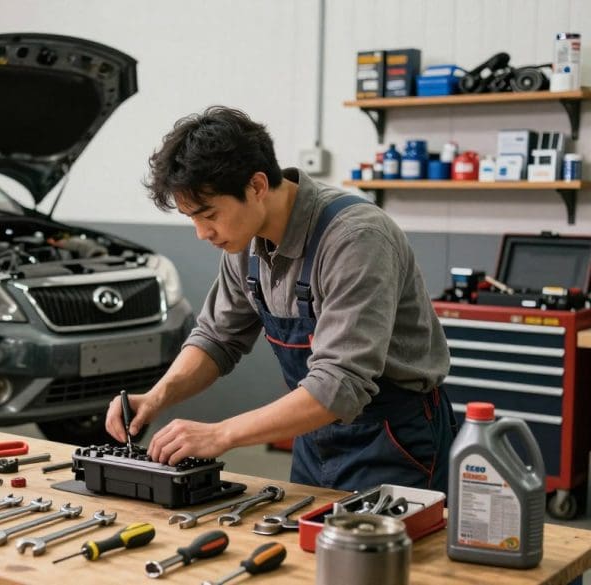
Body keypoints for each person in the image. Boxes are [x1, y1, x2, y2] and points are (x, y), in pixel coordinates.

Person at [105, 106, 456, 493]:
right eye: (192, 218)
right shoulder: (241, 243)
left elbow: (340, 384)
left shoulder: (356, 238)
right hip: (313, 432)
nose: (202, 233)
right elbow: (217, 338)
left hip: (393, 440)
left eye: (208, 215)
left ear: (256, 186)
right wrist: (157, 398)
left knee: (388, 555)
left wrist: (221, 434)